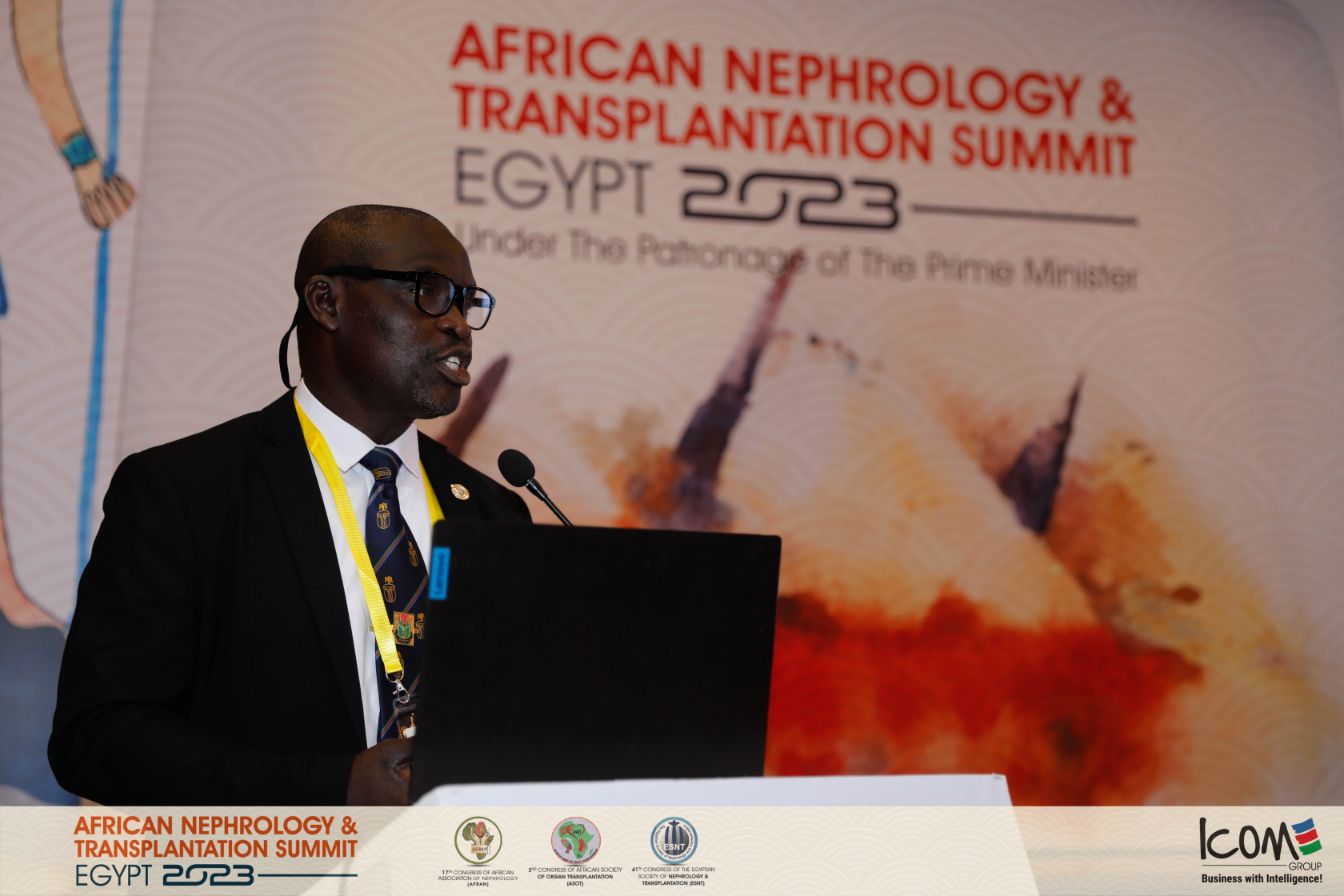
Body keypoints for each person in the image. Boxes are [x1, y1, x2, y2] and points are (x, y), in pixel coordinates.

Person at [48, 205, 530, 805]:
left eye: (466, 301)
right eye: (429, 292)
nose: (458, 323)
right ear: (327, 302)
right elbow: (99, 737)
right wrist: (332, 789)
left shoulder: (491, 511)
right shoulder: (186, 492)